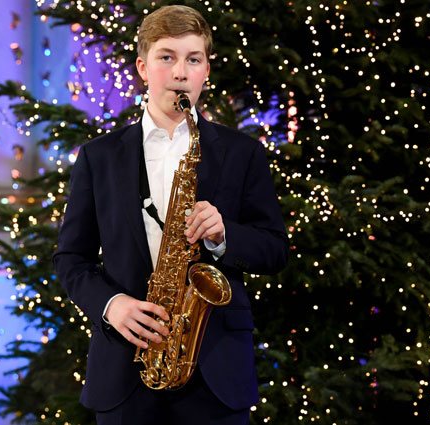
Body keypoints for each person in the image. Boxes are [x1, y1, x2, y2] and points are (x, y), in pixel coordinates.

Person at [53, 5, 288, 425]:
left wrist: (223, 234)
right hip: (126, 369)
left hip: (217, 371)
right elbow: (71, 260)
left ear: (206, 70)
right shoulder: (97, 157)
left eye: (193, 59)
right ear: (143, 67)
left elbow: (274, 249)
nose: (180, 72)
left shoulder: (242, 153)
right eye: (167, 57)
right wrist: (112, 305)